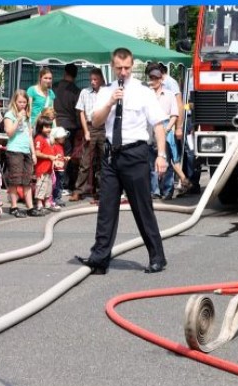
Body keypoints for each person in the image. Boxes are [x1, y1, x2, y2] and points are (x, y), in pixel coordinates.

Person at [76, 47, 169, 275]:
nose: (124, 72)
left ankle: (157, 257)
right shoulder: (105, 90)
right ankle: (99, 258)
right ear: (112, 66)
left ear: (132, 65)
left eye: (127, 67)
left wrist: (161, 155)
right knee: (106, 208)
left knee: (142, 208)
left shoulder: (143, 91)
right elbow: (96, 121)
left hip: (135, 153)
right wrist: (109, 102)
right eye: (119, 68)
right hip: (111, 154)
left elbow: (158, 125)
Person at [145, 64, 187, 200]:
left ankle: (167, 190)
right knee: (151, 162)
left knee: (167, 161)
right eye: (151, 78)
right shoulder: (147, 94)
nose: (153, 80)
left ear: (161, 79)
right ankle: (155, 190)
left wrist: (168, 128)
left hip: (165, 126)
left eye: (156, 78)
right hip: (150, 127)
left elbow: (175, 114)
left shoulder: (169, 95)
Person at [3, 89, 42, 218]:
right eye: (20, 102)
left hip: (26, 150)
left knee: (27, 180)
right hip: (14, 149)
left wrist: (34, 153)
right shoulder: (10, 114)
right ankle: (14, 206)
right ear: (15, 101)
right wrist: (18, 119)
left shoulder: (27, 116)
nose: (22, 105)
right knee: (15, 179)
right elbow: (9, 132)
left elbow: (29, 135)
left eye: (24, 102)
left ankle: (30, 207)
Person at [70, 67, 106, 201]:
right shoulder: (85, 92)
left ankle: (101, 190)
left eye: (95, 79)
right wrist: (86, 131)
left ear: (101, 79)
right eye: (91, 79)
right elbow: (81, 112)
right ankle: (79, 190)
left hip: (103, 127)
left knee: (103, 161)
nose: (93, 82)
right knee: (85, 161)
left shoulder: (106, 92)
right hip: (91, 126)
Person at [53, 63, 81, 168]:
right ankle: (66, 181)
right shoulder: (76, 91)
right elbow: (78, 111)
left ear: (65, 72)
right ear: (76, 75)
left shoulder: (54, 87)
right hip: (70, 126)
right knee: (67, 155)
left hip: (54, 124)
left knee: (55, 153)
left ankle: (57, 180)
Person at [33, 116, 59, 213]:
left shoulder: (48, 138)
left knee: (48, 186)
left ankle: (47, 202)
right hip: (42, 168)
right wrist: (49, 157)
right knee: (41, 186)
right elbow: (37, 153)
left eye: (50, 127)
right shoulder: (39, 138)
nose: (49, 129)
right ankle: (39, 204)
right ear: (40, 127)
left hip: (48, 168)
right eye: (46, 127)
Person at [50, 126, 69, 207]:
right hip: (56, 169)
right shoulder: (53, 146)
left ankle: (58, 197)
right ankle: (55, 198)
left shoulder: (60, 146)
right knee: (56, 184)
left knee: (60, 184)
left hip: (61, 169)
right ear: (56, 138)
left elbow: (60, 156)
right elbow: (53, 157)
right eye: (62, 137)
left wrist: (64, 158)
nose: (64, 138)